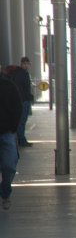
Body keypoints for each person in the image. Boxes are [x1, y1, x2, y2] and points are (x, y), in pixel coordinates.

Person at [0, 67, 22, 210]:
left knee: (9, 166)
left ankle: (5, 192)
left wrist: (13, 127)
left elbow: (17, 107)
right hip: (8, 131)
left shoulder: (8, 85)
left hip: (6, 132)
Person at [6, 56, 34, 146]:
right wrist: (29, 97)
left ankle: (19, 140)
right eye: (26, 64)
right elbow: (25, 88)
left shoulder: (15, 73)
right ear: (22, 64)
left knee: (19, 121)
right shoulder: (23, 74)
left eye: (28, 64)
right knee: (22, 121)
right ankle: (22, 140)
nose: (27, 66)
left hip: (17, 100)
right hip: (23, 100)